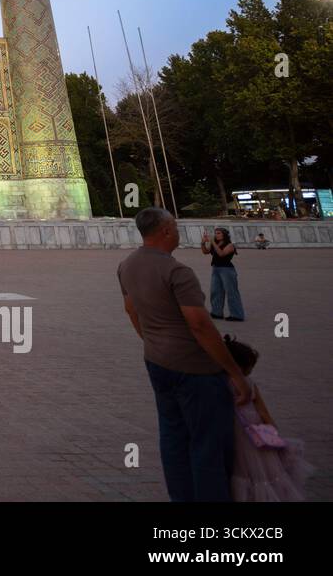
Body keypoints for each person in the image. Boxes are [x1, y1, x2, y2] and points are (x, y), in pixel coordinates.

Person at [118, 207, 251, 502]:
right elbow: (201, 326)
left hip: (157, 361)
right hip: (196, 370)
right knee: (208, 444)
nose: (178, 232)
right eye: (175, 227)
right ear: (165, 231)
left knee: (174, 437)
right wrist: (234, 372)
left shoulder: (126, 265)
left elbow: (131, 310)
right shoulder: (177, 272)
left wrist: (152, 341)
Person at [222, 334, 312, 501]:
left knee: (241, 469)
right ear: (241, 367)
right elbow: (263, 412)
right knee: (265, 472)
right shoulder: (248, 383)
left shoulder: (222, 384)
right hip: (257, 436)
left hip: (237, 435)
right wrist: (273, 430)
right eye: (250, 367)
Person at [202, 227, 244, 321]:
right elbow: (205, 252)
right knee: (215, 291)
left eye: (219, 233)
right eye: (215, 233)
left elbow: (221, 254)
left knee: (231, 292)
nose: (216, 235)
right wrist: (203, 242)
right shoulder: (215, 244)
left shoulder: (230, 245)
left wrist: (212, 242)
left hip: (227, 270)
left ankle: (237, 315)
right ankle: (217, 313)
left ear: (224, 235)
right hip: (216, 269)